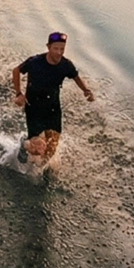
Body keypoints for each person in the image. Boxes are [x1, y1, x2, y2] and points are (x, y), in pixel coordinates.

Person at [12, 31, 94, 170]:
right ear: (48, 47)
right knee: (36, 148)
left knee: (52, 147)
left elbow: (76, 77)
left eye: (62, 49)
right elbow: (16, 71)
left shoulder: (66, 65)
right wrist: (19, 93)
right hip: (34, 108)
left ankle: (40, 168)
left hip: (53, 108)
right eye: (55, 48)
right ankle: (25, 145)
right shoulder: (35, 62)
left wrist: (86, 90)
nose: (59, 52)